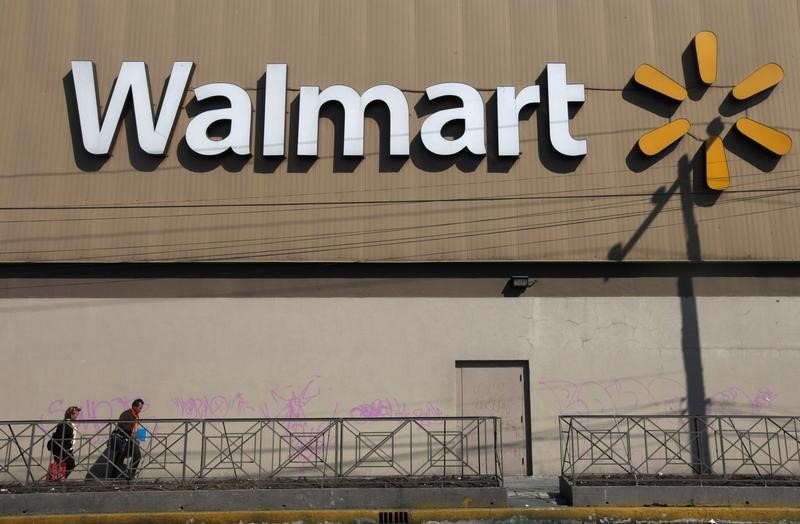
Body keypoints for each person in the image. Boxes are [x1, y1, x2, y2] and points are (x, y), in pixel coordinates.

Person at [108, 399, 144, 480]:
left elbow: (136, 427)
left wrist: (139, 436)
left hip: (131, 439)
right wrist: (132, 432)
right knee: (121, 457)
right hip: (125, 439)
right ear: (134, 406)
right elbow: (121, 425)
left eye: (141, 408)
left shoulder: (136, 415)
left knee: (135, 456)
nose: (141, 410)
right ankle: (116, 476)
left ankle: (129, 474)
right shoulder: (126, 414)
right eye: (140, 408)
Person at [47, 406, 81, 479]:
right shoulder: (65, 424)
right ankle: (58, 479)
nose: (77, 416)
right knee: (70, 465)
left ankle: (57, 479)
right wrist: (63, 449)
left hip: (67, 449)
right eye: (75, 414)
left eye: (77, 414)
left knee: (65, 465)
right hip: (63, 449)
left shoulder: (69, 424)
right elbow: (60, 437)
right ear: (70, 414)